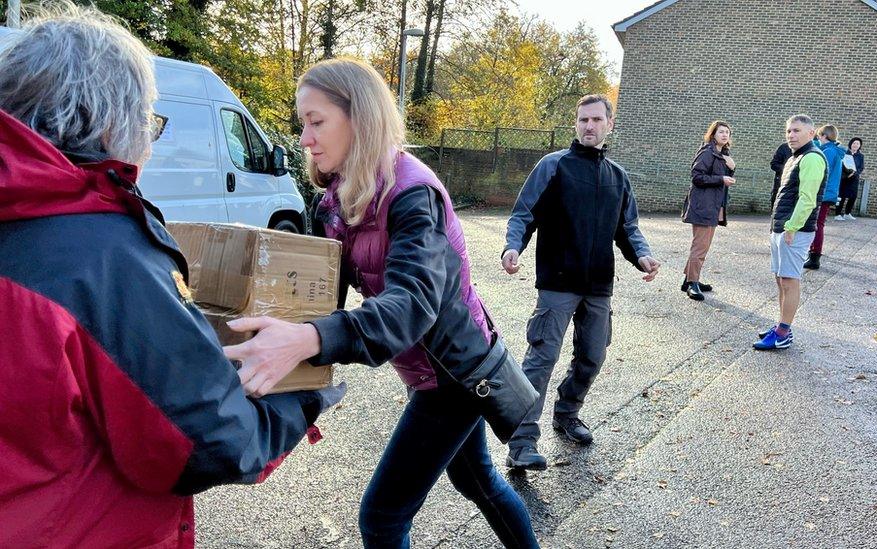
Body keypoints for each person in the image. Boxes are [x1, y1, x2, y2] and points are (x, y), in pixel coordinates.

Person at [0, 7, 343, 548]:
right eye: (149, 123)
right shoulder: (103, 256)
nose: (149, 142)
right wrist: (304, 398)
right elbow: (202, 439)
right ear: (112, 121)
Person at [220, 58, 538, 548]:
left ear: (360, 117)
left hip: (456, 375)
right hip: (428, 372)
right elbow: (317, 293)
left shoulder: (413, 193)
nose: (304, 138)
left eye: (316, 121)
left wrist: (306, 340)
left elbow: (411, 304)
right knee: (477, 481)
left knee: (383, 517)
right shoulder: (337, 199)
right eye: (303, 123)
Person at [500, 94, 660, 471]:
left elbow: (628, 228)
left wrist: (643, 255)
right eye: (583, 120)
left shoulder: (617, 177)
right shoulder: (554, 166)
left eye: (596, 120)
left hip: (599, 284)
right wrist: (512, 247)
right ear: (576, 123)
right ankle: (522, 442)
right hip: (557, 282)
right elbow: (523, 213)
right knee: (541, 358)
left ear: (609, 124)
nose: (589, 126)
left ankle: (567, 412)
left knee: (592, 355)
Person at [754, 115, 827, 351]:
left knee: (789, 280)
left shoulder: (813, 158)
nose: (791, 135)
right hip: (781, 228)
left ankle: (783, 333)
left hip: (794, 230)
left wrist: (792, 227)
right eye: (788, 131)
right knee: (780, 279)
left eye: (796, 131)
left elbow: (807, 199)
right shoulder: (795, 157)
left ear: (811, 133)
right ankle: (782, 326)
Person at [680, 120, 735, 301]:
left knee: (703, 245)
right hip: (702, 205)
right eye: (721, 132)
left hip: (714, 206)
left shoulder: (723, 154)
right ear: (713, 135)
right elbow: (697, 177)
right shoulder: (707, 152)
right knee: (700, 246)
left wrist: (731, 168)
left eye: (727, 132)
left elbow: (723, 177)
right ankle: (692, 283)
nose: (725, 135)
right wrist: (721, 179)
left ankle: (689, 280)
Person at [804, 124, 844, 270]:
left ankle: (814, 256)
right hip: (829, 193)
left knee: (817, 224)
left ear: (824, 136)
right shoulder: (833, 151)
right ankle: (813, 253)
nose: (818, 139)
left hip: (824, 193)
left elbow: (820, 173)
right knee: (818, 223)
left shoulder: (828, 152)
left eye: (820, 136)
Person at [836, 137, 864, 220]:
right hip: (845, 178)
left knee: (853, 196)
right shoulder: (845, 153)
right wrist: (847, 173)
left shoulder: (860, 156)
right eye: (854, 143)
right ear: (851, 144)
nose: (855, 145)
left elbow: (861, 167)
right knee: (842, 196)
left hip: (854, 178)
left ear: (860, 146)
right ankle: (838, 214)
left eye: (858, 144)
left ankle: (847, 213)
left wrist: (855, 173)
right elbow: (841, 165)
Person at [769, 142, 792, 208]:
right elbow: (774, 164)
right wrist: (787, 168)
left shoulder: (804, 150)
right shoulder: (784, 147)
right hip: (781, 183)